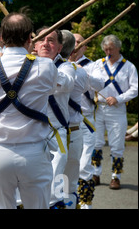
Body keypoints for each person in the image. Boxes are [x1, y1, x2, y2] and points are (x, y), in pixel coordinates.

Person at [0, 12, 56, 209]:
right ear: (30, 38)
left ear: (2, 37)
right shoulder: (46, 67)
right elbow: (53, 89)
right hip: (34, 151)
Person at [35, 26, 75, 209]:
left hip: (56, 133)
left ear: (59, 47)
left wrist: (42, 66)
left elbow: (65, 83)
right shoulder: (25, 64)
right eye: (41, 39)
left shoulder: (67, 67)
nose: (45, 44)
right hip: (29, 133)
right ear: (34, 44)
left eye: (51, 40)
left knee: (59, 180)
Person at [90, 34, 138, 189]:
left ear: (118, 48)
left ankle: (115, 176)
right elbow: (89, 80)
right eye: (105, 48)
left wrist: (119, 98)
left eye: (111, 48)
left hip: (117, 109)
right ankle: (95, 174)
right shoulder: (98, 64)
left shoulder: (129, 67)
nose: (108, 51)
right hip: (98, 108)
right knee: (96, 143)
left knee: (117, 145)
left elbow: (135, 89)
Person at [69, 32, 105, 209]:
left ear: (84, 46)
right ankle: (64, 202)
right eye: (72, 42)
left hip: (85, 121)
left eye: (79, 42)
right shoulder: (58, 64)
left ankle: (85, 204)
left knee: (84, 165)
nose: (75, 45)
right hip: (63, 122)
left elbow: (100, 84)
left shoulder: (91, 66)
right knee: (62, 166)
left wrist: (81, 73)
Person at [59, 30, 89, 208]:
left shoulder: (41, 70)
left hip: (52, 133)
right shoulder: (80, 71)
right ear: (73, 52)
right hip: (74, 131)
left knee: (51, 184)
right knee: (69, 186)